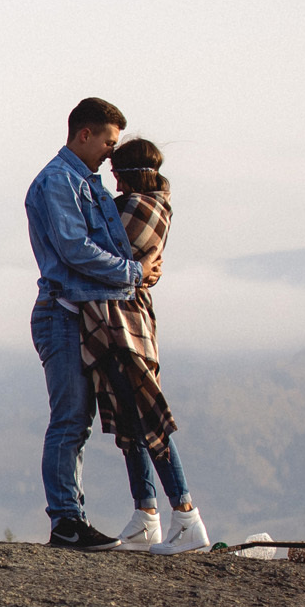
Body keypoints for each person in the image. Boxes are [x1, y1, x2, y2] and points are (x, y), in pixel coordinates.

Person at [24, 98, 161, 549]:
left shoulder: (84, 182)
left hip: (83, 313)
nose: (111, 152)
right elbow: (75, 249)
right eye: (108, 142)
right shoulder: (58, 182)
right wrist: (135, 273)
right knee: (70, 419)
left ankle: (73, 517)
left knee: (80, 421)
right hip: (62, 312)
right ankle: (66, 521)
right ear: (85, 134)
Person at [83, 138, 211, 553]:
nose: (114, 181)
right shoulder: (151, 206)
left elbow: (93, 254)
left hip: (125, 324)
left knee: (148, 416)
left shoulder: (138, 208)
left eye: (118, 173)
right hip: (121, 320)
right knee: (130, 421)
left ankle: (186, 515)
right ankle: (146, 515)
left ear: (132, 174)